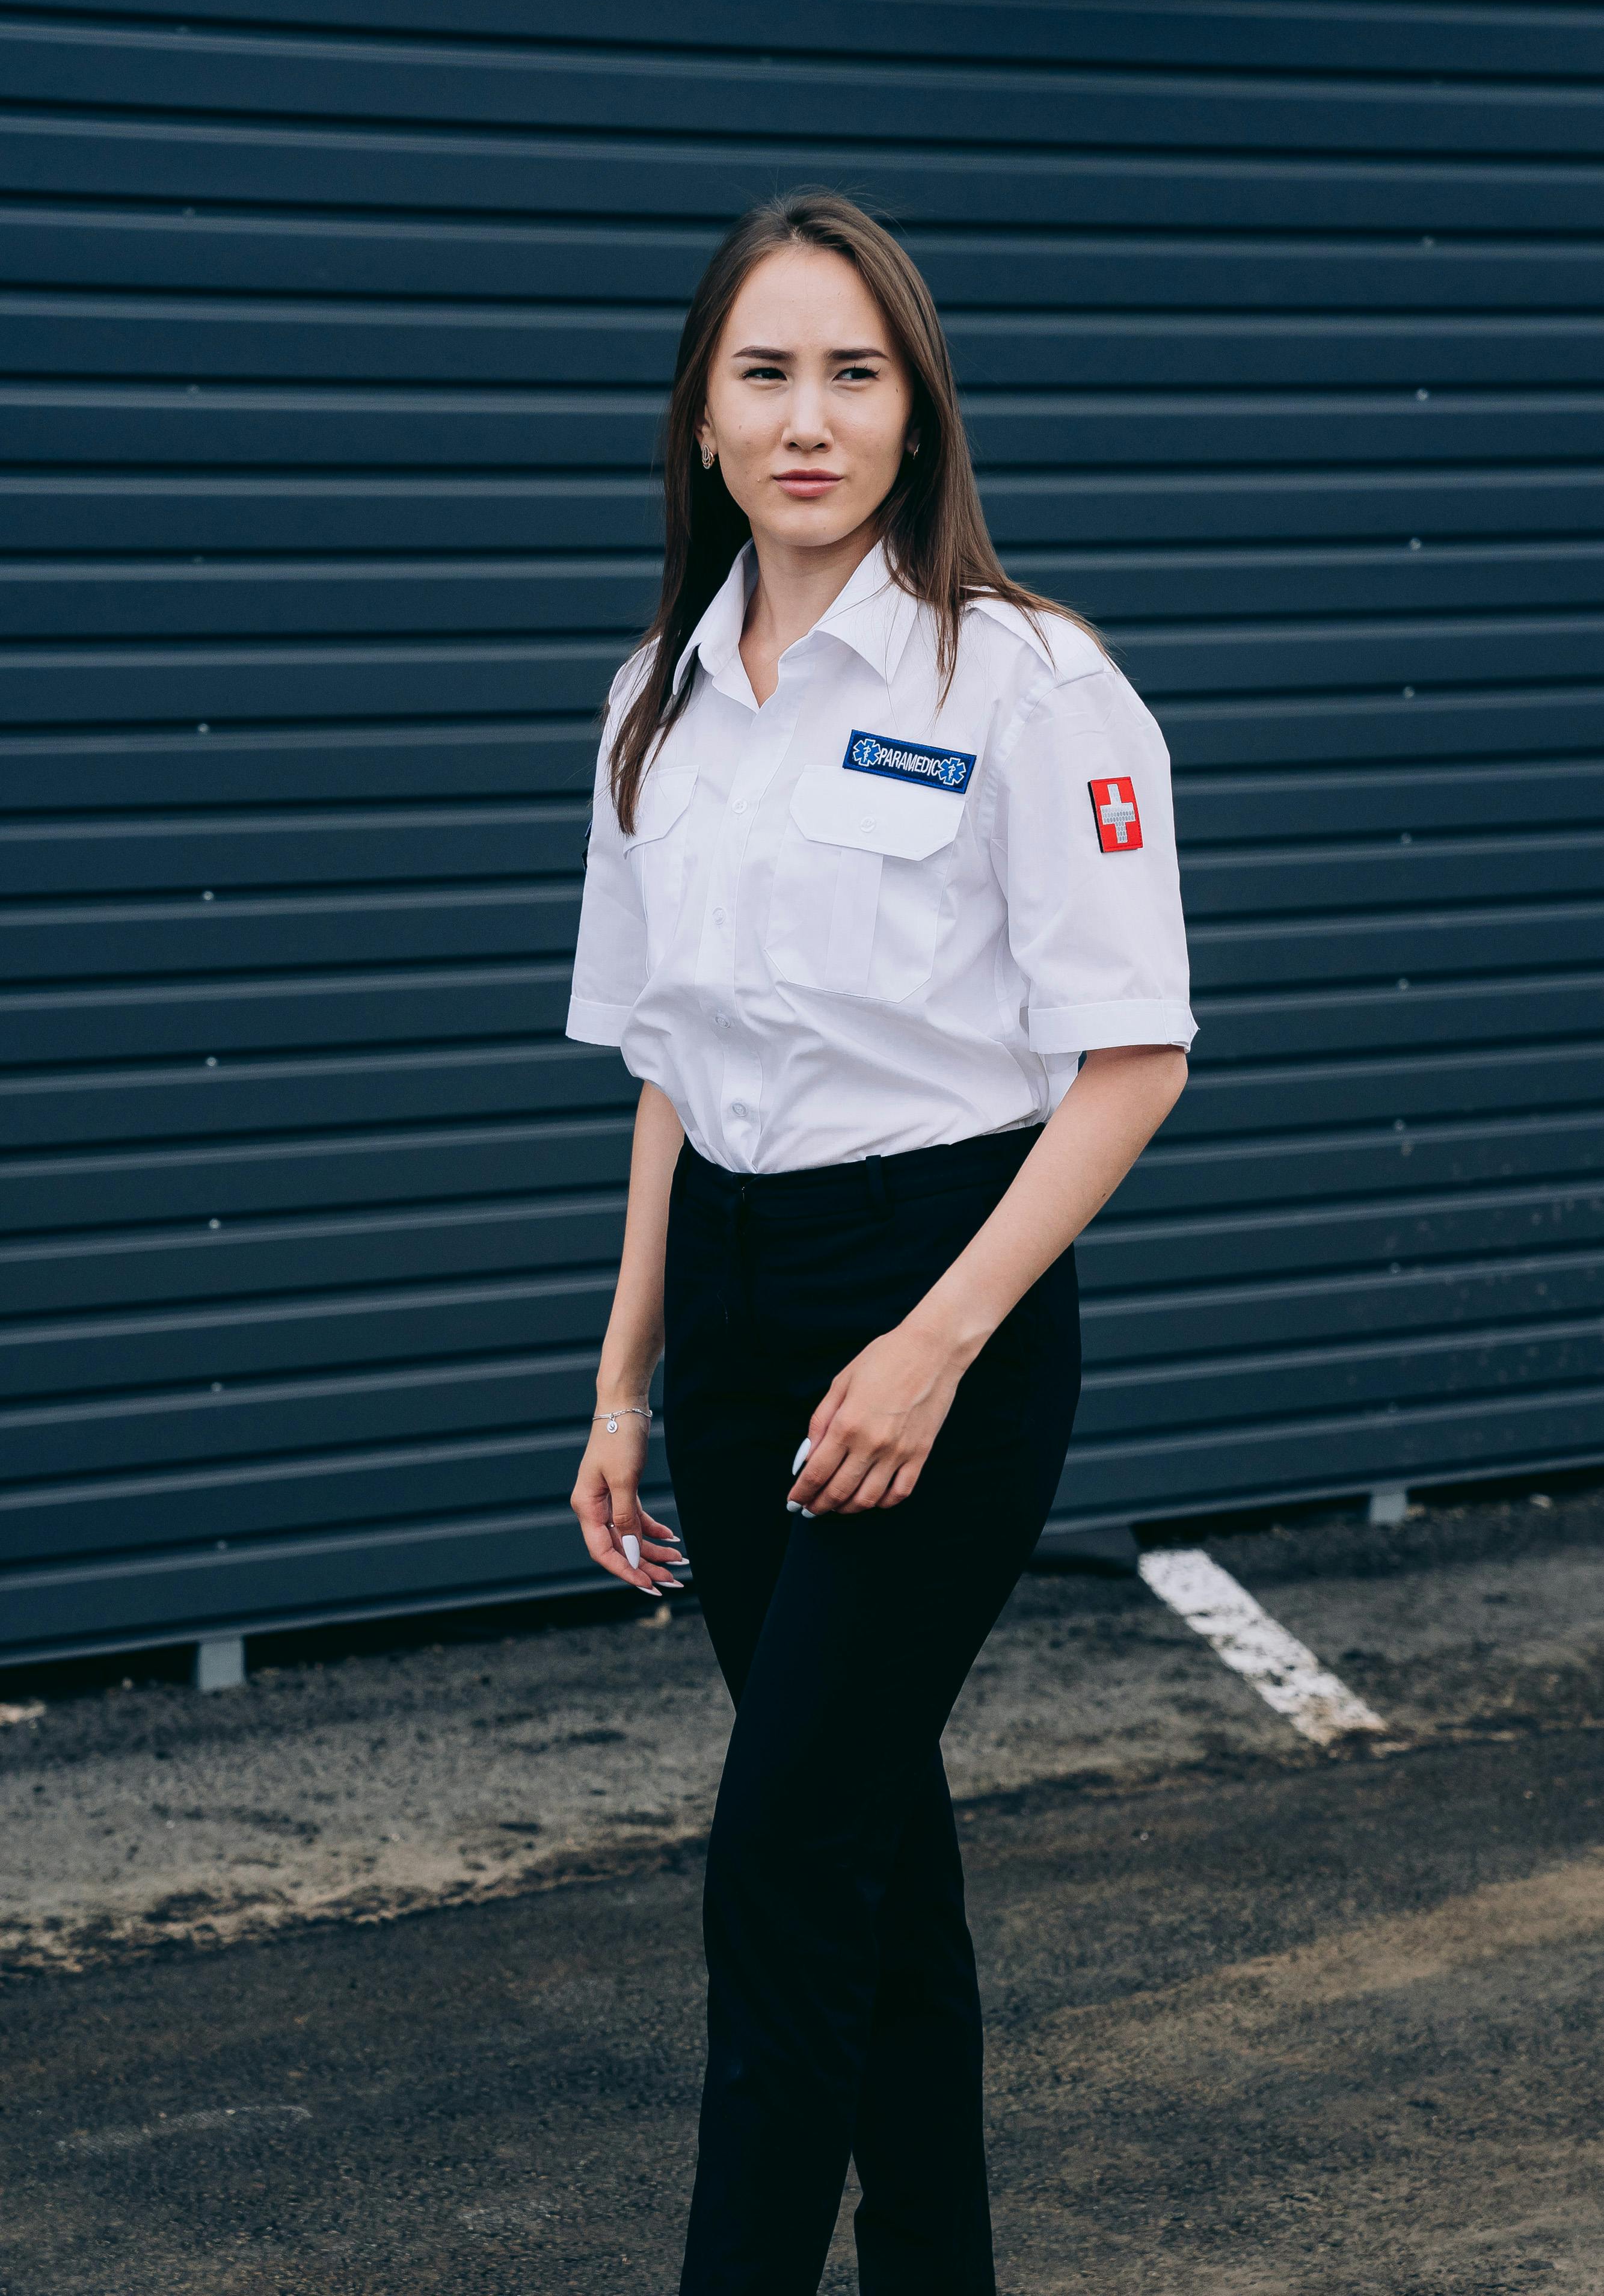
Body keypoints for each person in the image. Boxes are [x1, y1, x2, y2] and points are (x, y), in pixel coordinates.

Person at [565, 188, 1196, 2296]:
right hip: (739, 1315)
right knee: (869, 1865)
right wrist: (626, 1378)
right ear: (703, 418)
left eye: (855, 373)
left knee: (778, 1867)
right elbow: (669, 1063)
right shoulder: (658, 698)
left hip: (946, 1305)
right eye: (765, 373)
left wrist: (931, 1344)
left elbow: (1129, 1059)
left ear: (916, 416)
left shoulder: (1027, 683)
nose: (807, 417)